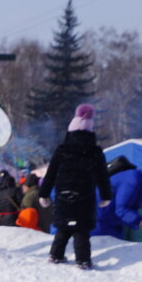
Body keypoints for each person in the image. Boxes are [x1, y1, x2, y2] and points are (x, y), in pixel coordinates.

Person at [39, 104, 112, 269]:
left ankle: (55, 255)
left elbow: (50, 173)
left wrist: (43, 194)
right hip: (85, 197)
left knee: (63, 228)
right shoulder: (95, 152)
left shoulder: (62, 150)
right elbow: (102, 176)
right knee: (81, 230)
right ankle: (83, 260)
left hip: (63, 195)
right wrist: (106, 196)